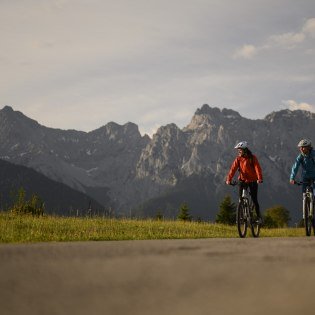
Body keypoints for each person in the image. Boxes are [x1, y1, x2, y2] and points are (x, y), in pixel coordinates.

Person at [226, 141, 263, 221]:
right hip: (242, 180)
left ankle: (258, 217)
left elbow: (257, 168)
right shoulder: (238, 159)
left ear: (245, 150)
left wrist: (259, 178)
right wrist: (229, 179)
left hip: (253, 181)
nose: (238, 151)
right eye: (238, 150)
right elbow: (233, 169)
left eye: (240, 150)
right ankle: (243, 216)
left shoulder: (252, 158)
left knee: (254, 199)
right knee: (240, 199)